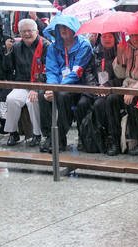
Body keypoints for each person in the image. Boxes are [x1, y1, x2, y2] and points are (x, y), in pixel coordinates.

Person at [39, 15, 92, 152]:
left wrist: (57, 88)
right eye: (60, 27)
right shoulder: (53, 47)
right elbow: (51, 71)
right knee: (42, 94)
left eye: (66, 27)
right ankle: (50, 136)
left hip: (78, 86)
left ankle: (59, 137)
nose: (63, 30)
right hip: (58, 85)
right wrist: (51, 88)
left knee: (63, 96)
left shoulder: (84, 45)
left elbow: (76, 72)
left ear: (74, 28)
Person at [2, 19, 50, 147]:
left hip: (40, 84)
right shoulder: (16, 46)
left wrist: (36, 87)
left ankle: (37, 134)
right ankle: (13, 132)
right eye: (24, 31)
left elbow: (47, 70)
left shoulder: (45, 45)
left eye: (30, 31)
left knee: (32, 101)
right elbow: (7, 68)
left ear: (37, 31)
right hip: (22, 83)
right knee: (11, 99)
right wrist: (7, 51)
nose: (27, 34)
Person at [77, 32, 124, 155]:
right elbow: (88, 72)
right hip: (96, 89)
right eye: (104, 36)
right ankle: (83, 136)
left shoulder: (120, 52)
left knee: (101, 104)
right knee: (82, 103)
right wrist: (96, 87)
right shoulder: (94, 53)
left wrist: (106, 86)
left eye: (110, 36)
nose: (107, 39)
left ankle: (110, 138)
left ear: (115, 38)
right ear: (100, 38)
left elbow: (122, 77)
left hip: (112, 89)